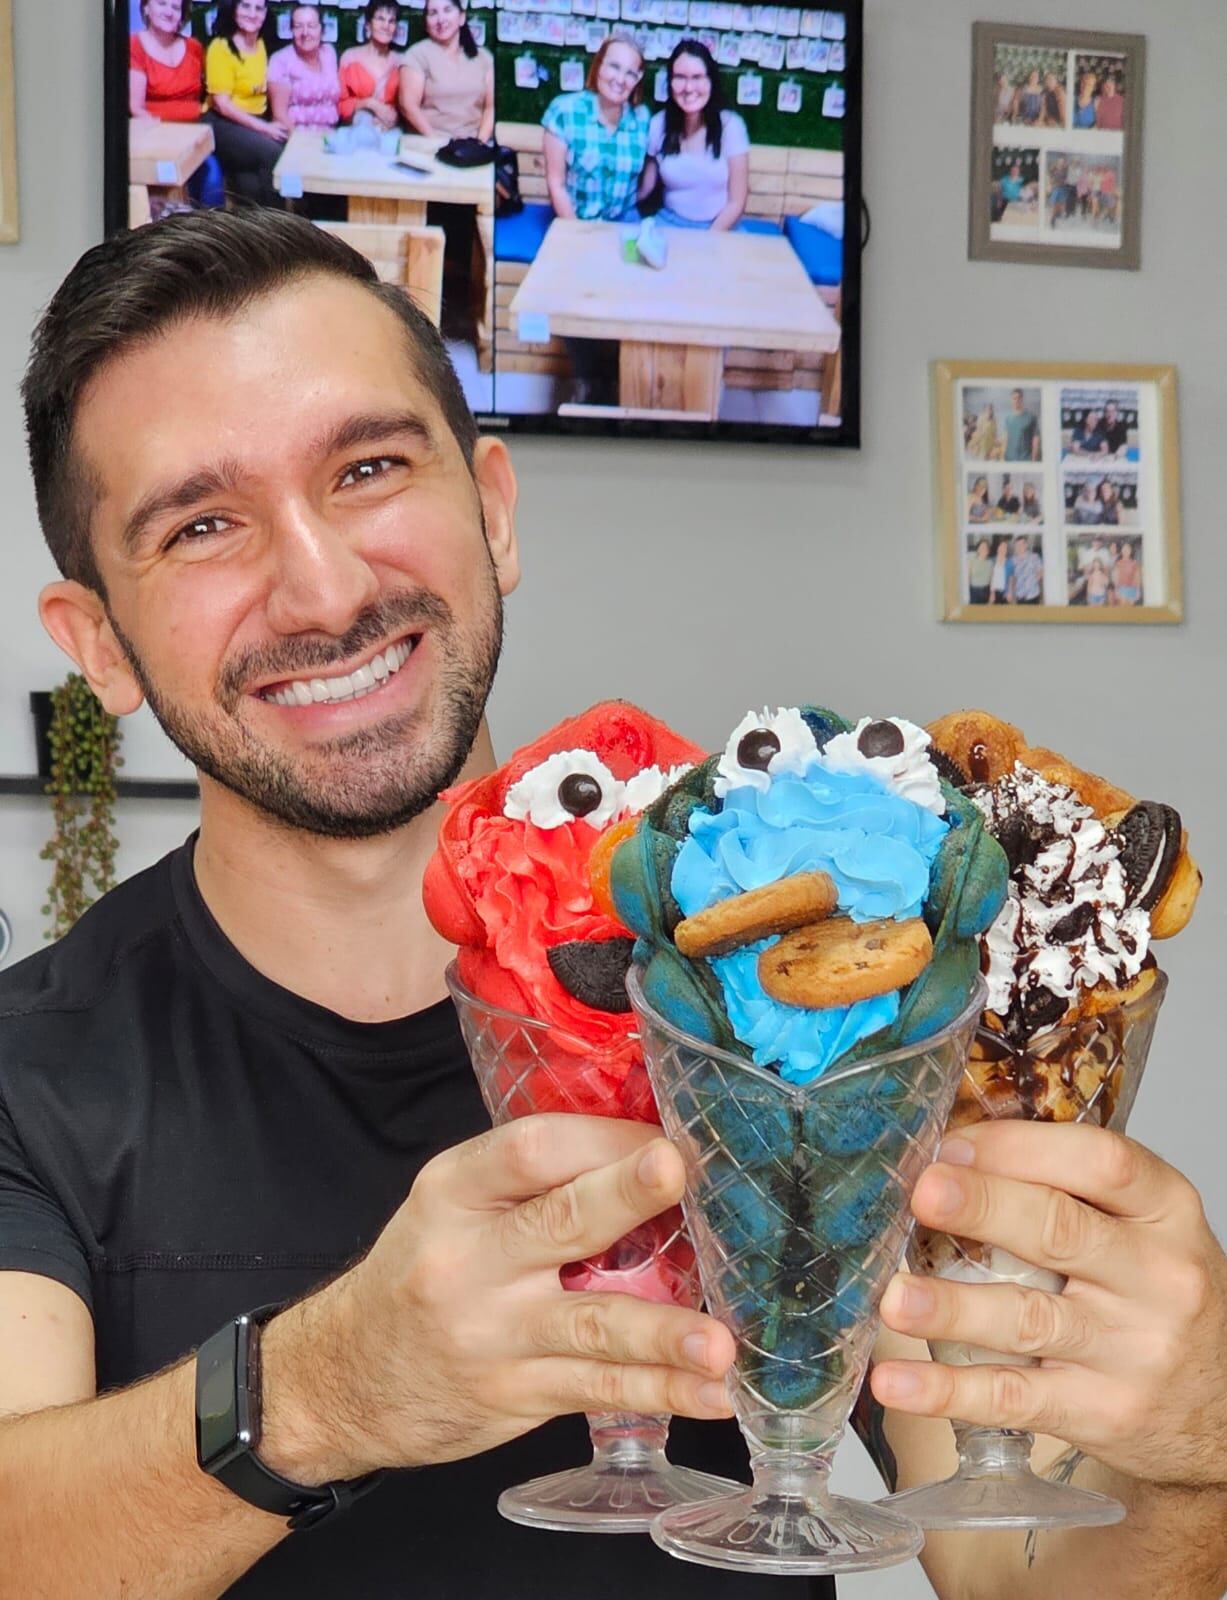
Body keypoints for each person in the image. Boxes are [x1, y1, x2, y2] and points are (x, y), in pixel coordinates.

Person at [10, 209, 1227, 1600]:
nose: (323, 585)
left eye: (368, 467)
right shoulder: (28, 1078)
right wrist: (323, 1393)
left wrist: (1192, 1456)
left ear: (494, 509)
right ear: (99, 643)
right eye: (203, 525)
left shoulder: (802, 996)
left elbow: (1026, 1576)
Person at [639, 40, 749, 231]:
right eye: (680, 77)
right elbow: (645, 188)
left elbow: (737, 202)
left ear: (711, 81)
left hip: (719, 228)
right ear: (670, 82)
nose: (689, 88)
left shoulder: (731, 126)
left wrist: (707, 240)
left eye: (697, 77)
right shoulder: (658, 124)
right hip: (668, 223)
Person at [542, 34, 649, 223]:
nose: (620, 79)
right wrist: (577, 233)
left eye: (630, 73)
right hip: (577, 222)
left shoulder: (642, 119)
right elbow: (556, 185)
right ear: (599, 66)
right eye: (614, 66)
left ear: (637, 80)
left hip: (624, 223)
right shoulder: (565, 112)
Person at [205, 0, 288, 207]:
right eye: (245, 6)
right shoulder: (221, 47)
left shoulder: (263, 44)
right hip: (223, 122)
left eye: (259, 8)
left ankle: (260, 225)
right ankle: (281, 221)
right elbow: (222, 105)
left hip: (254, 121)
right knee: (273, 153)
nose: (252, 14)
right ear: (234, 9)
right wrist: (265, 128)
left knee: (250, 183)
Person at [400, 0, 494, 141]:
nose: (441, 19)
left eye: (447, 10)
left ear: (461, 17)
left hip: (473, 145)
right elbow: (408, 106)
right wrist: (437, 143)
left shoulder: (484, 58)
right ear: (426, 23)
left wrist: (479, 144)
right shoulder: (417, 55)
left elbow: (491, 108)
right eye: (433, 13)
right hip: (430, 144)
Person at [268, 4, 342, 131]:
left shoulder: (329, 53)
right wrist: (301, 140)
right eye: (298, 26)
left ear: (322, 29)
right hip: (295, 135)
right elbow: (279, 116)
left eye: (311, 26)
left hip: (330, 135)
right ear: (291, 30)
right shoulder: (280, 60)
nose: (305, 33)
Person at [129, 0, 205, 124]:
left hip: (199, 127)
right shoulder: (134, 45)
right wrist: (164, 132)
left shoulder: (194, 47)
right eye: (161, 4)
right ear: (146, 8)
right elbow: (137, 109)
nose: (169, 13)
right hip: (156, 129)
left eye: (176, 8)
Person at [338, 1, 403, 130]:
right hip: (354, 130)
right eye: (380, 19)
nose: (386, 26)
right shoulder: (350, 58)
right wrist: (369, 103)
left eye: (391, 21)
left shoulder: (401, 62)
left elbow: (406, 106)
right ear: (368, 25)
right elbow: (340, 105)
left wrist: (394, 119)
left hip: (390, 131)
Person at [1003, 387, 1040, 462]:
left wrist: (1033, 459)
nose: (1016, 400)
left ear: (1022, 399)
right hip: (1009, 459)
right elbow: (1006, 440)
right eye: (1014, 398)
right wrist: (1003, 457)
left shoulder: (1031, 417)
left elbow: (1036, 440)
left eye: (1018, 398)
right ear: (1011, 400)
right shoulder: (1008, 418)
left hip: (1025, 459)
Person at [1008, 534, 1043, 603]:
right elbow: (1011, 577)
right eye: (1017, 545)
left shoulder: (1034, 557)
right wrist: (1010, 592)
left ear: (1026, 545)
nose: (1019, 547)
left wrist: (1032, 582)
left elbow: (1041, 571)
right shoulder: (1012, 560)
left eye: (1021, 544)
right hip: (1020, 596)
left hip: (1033, 595)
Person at [1114, 538, 1141, 603]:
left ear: (1131, 550)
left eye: (1128, 549)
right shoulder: (1118, 563)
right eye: (1124, 549)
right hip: (1122, 589)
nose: (1126, 550)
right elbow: (1116, 577)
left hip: (1133, 589)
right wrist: (1116, 590)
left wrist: (1138, 590)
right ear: (1121, 550)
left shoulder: (1134, 563)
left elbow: (1137, 577)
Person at [967, 538, 993, 605]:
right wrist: (967, 593)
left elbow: (991, 580)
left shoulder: (990, 563)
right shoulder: (971, 560)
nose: (984, 549)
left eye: (986, 547)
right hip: (974, 591)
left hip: (986, 591)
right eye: (982, 547)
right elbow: (968, 577)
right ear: (978, 549)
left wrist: (991, 594)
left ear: (988, 550)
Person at [989, 536, 1013, 604]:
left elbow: (1010, 578)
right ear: (997, 549)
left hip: (1005, 592)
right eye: (1001, 547)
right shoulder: (992, 561)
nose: (1003, 549)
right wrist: (992, 592)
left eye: (1005, 547)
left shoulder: (1009, 562)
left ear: (1006, 550)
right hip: (994, 592)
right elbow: (991, 577)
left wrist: (1010, 592)